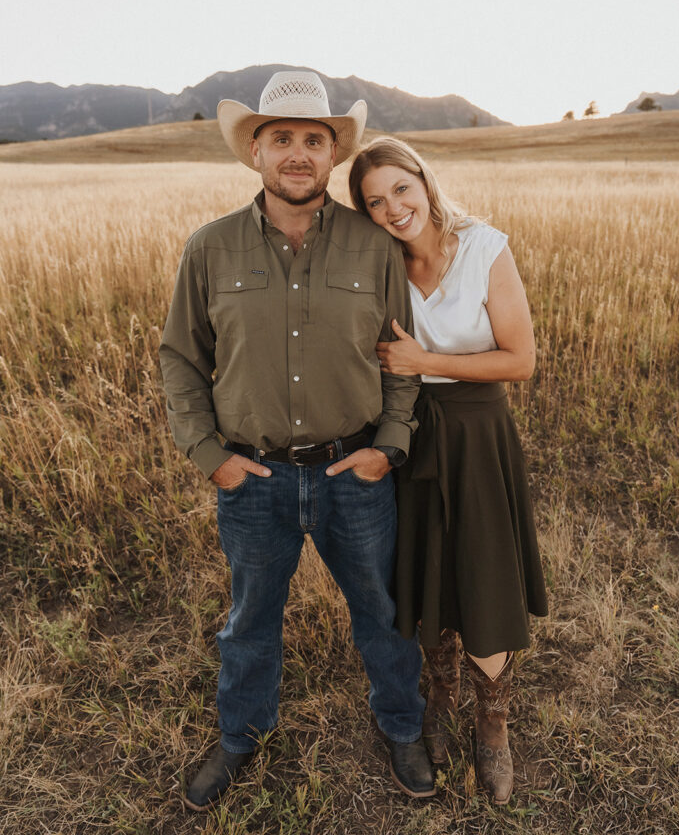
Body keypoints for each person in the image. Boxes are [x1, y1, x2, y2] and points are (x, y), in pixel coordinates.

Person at [159, 73, 435, 812]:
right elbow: (180, 358)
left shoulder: (373, 245)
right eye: (281, 137)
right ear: (255, 150)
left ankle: (402, 725)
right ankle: (240, 735)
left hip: (356, 472)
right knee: (250, 619)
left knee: (381, 611)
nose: (298, 153)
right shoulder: (209, 248)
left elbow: (399, 354)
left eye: (314, 140)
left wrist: (390, 445)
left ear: (332, 155)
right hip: (253, 480)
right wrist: (209, 458)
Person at [348, 137, 548, 806]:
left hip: (476, 429)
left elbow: (518, 361)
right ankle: (441, 694)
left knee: (484, 570)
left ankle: (491, 724)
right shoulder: (378, 265)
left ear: (424, 181)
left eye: (400, 189)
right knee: (425, 568)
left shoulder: (484, 247)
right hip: (408, 432)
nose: (392, 208)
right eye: (374, 202)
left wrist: (423, 363)